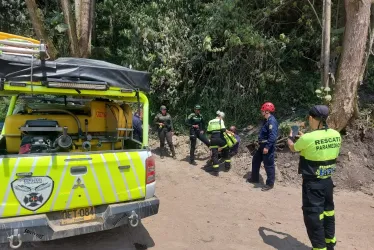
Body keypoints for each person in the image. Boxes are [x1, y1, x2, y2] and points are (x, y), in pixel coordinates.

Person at [287, 105, 341, 250]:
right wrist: (305, 138)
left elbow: (293, 147)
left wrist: (291, 137)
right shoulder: (336, 134)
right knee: (328, 212)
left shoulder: (308, 138)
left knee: (313, 217)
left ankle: (319, 248)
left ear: (311, 118)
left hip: (312, 184)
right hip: (328, 181)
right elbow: (319, 144)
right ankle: (330, 244)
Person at [247, 102, 278, 191]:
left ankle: (269, 184)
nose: (261, 112)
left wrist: (267, 147)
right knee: (255, 160)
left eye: (263, 110)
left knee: (269, 165)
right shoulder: (266, 120)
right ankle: (254, 178)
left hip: (267, 146)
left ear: (267, 111)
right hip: (262, 145)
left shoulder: (272, 121)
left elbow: (273, 136)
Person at [205, 110, 230, 176]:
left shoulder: (210, 121)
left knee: (214, 155)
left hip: (213, 139)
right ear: (221, 116)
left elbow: (208, 131)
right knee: (227, 149)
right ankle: (227, 167)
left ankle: (216, 172)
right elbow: (223, 129)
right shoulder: (220, 121)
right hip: (220, 138)